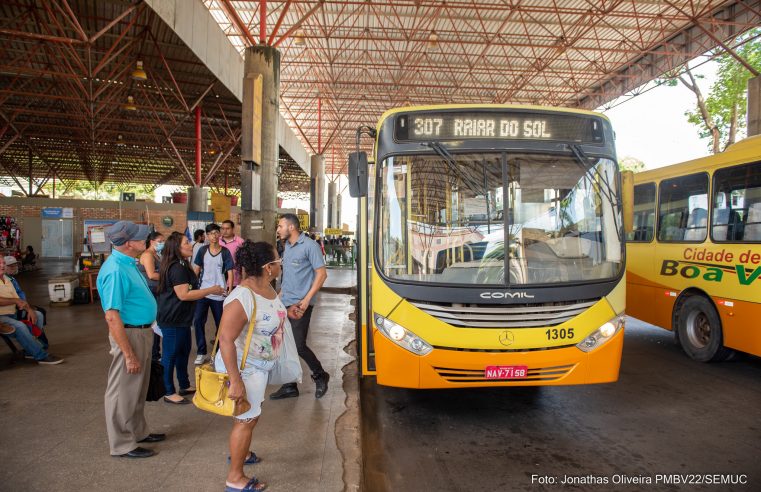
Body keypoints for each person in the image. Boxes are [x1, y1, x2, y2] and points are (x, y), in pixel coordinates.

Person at [217, 240, 285, 492]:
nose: (280, 264)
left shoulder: (266, 287)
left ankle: (241, 454)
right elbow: (225, 339)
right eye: (278, 261)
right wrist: (235, 380)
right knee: (246, 420)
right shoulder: (242, 296)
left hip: (260, 366)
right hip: (245, 369)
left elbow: (263, 319)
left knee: (249, 416)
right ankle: (235, 478)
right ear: (268, 267)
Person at [97, 221, 164, 458]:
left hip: (142, 331)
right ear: (128, 243)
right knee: (121, 390)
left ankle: (138, 430)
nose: (146, 240)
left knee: (137, 387)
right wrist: (128, 353)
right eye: (141, 238)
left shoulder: (128, 263)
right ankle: (122, 443)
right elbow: (112, 316)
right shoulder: (115, 270)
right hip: (129, 334)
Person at [157, 232, 225, 404]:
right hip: (172, 319)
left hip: (182, 319)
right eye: (186, 243)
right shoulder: (177, 268)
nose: (191, 245)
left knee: (183, 351)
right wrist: (210, 290)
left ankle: (184, 384)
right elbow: (184, 295)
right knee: (170, 354)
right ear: (177, 248)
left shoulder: (183, 264)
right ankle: (168, 390)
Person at [270, 214, 329, 400]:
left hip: (300, 305)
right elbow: (288, 277)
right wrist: (277, 298)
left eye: (280, 226)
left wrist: (306, 300)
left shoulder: (309, 246)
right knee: (283, 344)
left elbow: (321, 274)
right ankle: (289, 385)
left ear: (291, 227)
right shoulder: (287, 246)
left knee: (297, 344)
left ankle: (320, 374)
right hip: (285, 301)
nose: (278, 230)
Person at [0, 256, 63, 364]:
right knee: (20, 326)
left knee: (38, 315)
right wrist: (15, 301)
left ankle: (31, 349)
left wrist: (29, 309)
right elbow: (15, 300)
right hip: (2, 316)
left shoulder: (7, 279)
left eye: (3, 263)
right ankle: (41, 355)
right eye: (0, 263)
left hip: (12, 313)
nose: (2, 265)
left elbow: (19, 299)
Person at [192, 223, 234, 365]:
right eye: (211, 233)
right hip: (203, 292)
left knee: (220, 324)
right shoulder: (202, 251)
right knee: (198, 321)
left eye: (216, 232)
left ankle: (217, 352)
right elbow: (196, 269)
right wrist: (191, 287)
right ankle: (201, 351)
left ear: (219, 234)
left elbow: (230, 271)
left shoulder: (225, 252)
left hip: (220, 294)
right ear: (207, 236)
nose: (214, 236)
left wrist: (229, 288)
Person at [4, 255, 49, 349]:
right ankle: (37, 343)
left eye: (14, 265)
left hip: (19, 305)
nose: (13, 268)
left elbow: (20, 294)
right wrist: (25, 307)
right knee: (39, 313)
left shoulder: (12, 279)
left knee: (39, 313)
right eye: (10, 266)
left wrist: (27, 306)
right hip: (12, 309)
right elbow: (13, 298)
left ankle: (37, 341)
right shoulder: (6, 280)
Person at [139, 231, 164, 361]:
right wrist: (169, 277)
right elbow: (152, 275)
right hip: (151, 290)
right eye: (160, 241)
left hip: (157, 289)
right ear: (151, 241)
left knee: (158, 322)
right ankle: (154, 355)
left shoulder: (156, 254)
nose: (162, 244)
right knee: (155, 323)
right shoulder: (148, 255)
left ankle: (156, 352)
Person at [220, 220, 245, 286]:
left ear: (233, 229)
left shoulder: (240, 242)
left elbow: (245, 261)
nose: (225, 231)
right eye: (223, 229)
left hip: (235, 280)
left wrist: (244, 279)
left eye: (227, 228)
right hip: (218, 280)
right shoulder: (217, 241)